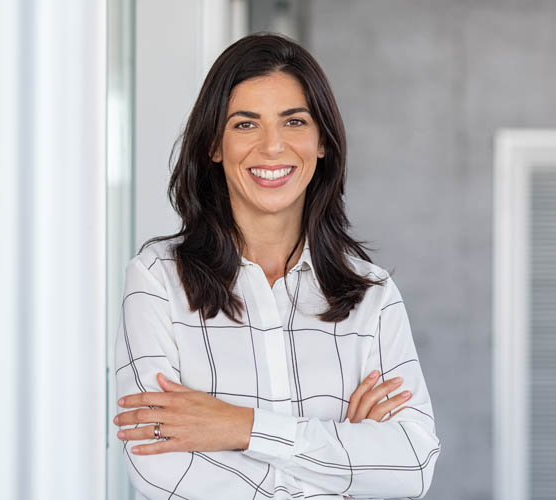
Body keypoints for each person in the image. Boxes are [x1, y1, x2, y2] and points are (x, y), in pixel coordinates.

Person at [113, 33, 440, 499]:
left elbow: (411, 464)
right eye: (246, 125)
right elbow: (157, 464)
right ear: (214, 145)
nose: (272, 147)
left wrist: (241, 428)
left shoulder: (373, 294)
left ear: (322, 141)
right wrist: (341, 456)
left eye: (294, 122)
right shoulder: (157, 280)